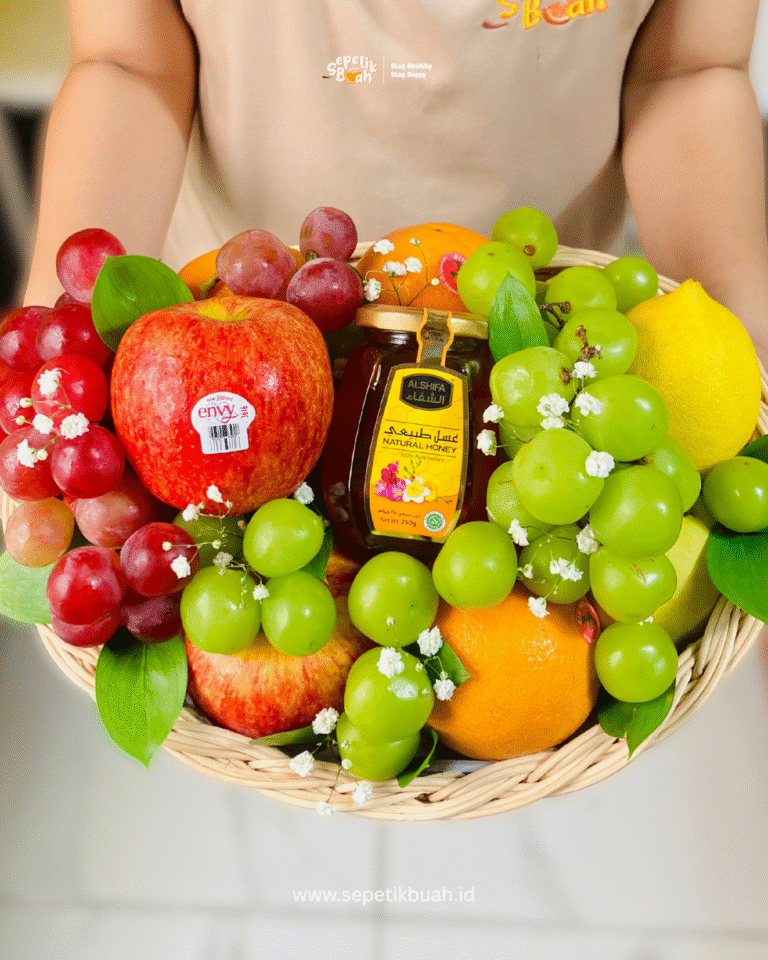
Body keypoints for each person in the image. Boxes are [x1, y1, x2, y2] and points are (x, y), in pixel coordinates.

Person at [21, 0, 768, 366]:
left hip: (545, 337)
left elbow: (686, 67)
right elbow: (131, 60)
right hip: (231, 334)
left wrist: (743, 346)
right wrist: (58, 354)